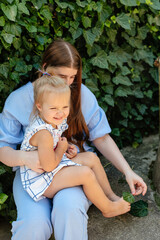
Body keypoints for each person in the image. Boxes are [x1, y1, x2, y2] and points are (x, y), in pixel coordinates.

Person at [0, 39, 147, 240]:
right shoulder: (19, 100)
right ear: (44, 68)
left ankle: (110, 201)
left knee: (69, 209)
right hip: (34, 174)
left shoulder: (80, 94)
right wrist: (27, 158)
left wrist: (128, 171)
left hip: (67, 165)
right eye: (62, 76)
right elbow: (3, 148)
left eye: (72, 77)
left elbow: (101, 137)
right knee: (34, 225)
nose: (68, 83)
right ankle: (108, 205)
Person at [20, 72, 130, 217]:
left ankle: (110, 195)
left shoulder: (51, 119)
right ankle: (108, 208)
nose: (60, 113)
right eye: (53, 108)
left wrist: (66, 149)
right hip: (41, 180)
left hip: (51, 166)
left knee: (90, 157)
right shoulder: (43, 133)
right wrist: (61, 149)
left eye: (65, 107)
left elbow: (53, 149)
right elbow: (48, 166)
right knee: (85, 174)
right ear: (39, 106)